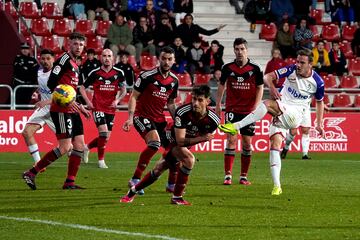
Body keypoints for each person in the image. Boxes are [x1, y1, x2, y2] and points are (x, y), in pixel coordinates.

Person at [218, 49, 325, 195]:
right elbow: (268, 77)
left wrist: (319, 123)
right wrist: (273, 87)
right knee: (274, 146)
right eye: (297, 61)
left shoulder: (317, 82)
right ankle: (277, 186)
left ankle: (236, 126)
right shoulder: (291, 69)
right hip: (281, 110)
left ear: (311, 64)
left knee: (267, 103)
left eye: (302, 62)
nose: (298, 65)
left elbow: (319, 102)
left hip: (295, 115)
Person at [120, 85, 220, 205]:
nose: (195, 103)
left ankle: (132, 191)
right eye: (194, 99)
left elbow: (199, 134)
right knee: (189, 160)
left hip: (186, 142)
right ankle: (177, 197)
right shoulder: (182, 112)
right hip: (170, 138)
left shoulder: (214, 120)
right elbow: (180, 141)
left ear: (208, 101)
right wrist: (202, 138)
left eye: (200, 100)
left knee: (159, 168)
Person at [22, 32, 91, 190]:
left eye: (81, 45)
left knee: (79, 145)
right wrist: (67, 100)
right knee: (65, 147)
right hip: (61, 109)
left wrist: (80, 107)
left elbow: (72, 90)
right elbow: (52, 82)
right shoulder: (64, 60)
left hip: (73, 109)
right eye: (75, 44)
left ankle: (69, 182)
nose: (78, 47)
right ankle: (32, 173)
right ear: (69, 44)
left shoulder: (75, 64)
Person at [122, 46, 178, 195]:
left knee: (175, 150)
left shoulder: (174, 81)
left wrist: (178, 122)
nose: (166, 62)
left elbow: (171, 103)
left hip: (160, 119)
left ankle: (172, 184)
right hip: (142, 116)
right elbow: (134, 96)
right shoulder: (147, 76)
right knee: (154, 144)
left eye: (169, 59)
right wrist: (130, 118)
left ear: (174, 61)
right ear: (159, 59)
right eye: (164, 58)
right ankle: (135, 179)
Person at [216, 38, 264, 186]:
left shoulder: (256, 68)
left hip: (248, 110)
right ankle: (228, 175)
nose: (239, 52)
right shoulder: (227, 67)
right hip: (232, 109)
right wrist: (218, 104)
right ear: (234, 50)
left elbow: (260, 87)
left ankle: (243, 176)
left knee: (247, 143)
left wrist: (256, 106)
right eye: (237, 49)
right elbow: (222, 85)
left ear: (246, 50)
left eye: (242, 49)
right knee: (231, 139)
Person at [80, 49, 127, 168]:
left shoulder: (119, 72)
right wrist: (88, 101)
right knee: (104, 133)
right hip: (98, 106)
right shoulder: (95, 73)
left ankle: (87, 147)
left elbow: (124, 90)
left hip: (110, 108)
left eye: (109, 56)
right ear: (101, 58)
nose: (107, 58)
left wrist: (117, 100)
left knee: (105, 137)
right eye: (104, 56)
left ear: (113, 58)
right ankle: (101, 161)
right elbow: (81, 88)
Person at [21, 49, 56, 164]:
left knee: (68, 146)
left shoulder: (58, 75)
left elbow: (64, 95)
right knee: (26, 132)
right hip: (43, 109)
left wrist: (46, 101)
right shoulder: (39, 73)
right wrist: (37, 93)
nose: (45, 61)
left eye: (48, 58)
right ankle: (38, 163)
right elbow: (43, 87)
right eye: (43, 58)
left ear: (53, 59)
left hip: (57, 111)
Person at [12, 43, 39, 107]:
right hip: (19, 85)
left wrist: (27, 70)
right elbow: (20, 71)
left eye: (26, 48)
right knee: (17, 104)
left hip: (29, 86)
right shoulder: (17, 58)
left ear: (29, 50)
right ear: (21, 50)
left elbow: (36, 71)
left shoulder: (33, 59)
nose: (25, 50)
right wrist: (30, 70)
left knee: (26, 103)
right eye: (23, 48)